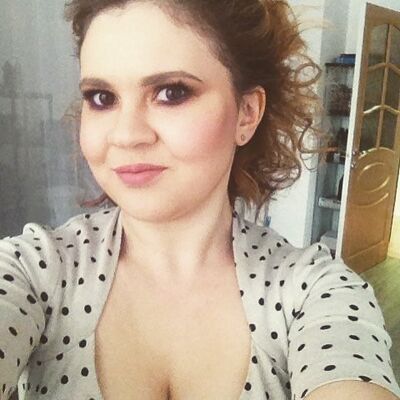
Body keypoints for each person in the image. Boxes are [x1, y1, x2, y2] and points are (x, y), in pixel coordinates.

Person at [0, 0, 399, 399]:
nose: (125, 135)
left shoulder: (314, 291)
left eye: (171, 93)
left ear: (246, 113)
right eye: (102, 98)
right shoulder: (34, 270)